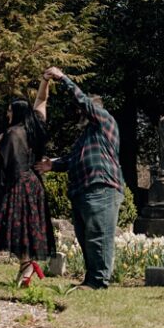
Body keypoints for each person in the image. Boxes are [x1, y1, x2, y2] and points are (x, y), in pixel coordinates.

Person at [41, 66, 123, 289]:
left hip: (101, 187)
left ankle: (99, 282)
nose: (81, 114)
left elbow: (84, 103)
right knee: (86, 237)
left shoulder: (105, 122)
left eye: (86, 111)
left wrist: (63, 79)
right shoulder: (85, 139)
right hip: (82, 191)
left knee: (98, 235)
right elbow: (70, 160)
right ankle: (91, 279)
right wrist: (52, 165)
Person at [0, 91, 56, 286]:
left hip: (18, 186)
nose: (8, 115)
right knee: (24, 229)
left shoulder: (14, 132)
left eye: (9, 111)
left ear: (16, 112)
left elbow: (9, 164)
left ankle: (28, 265)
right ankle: (27, 266)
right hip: (33, 185)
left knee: (10, 229)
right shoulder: (34, 129)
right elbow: (42, 101)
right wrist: (45, 81)